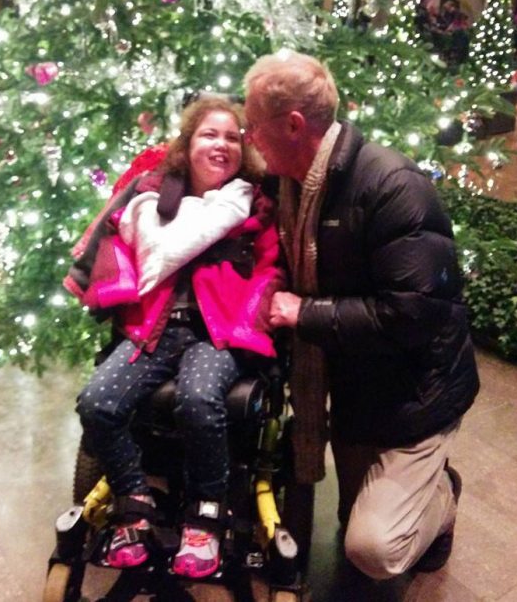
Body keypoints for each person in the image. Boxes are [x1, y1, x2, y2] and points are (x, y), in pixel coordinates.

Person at [243, 51, 479, 581]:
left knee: (373, 550)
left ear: (294, 125)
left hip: (415, 393)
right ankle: (400, 493)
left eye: (253, 125)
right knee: (353, 519)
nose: (248, 137)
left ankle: (443, 498)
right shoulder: (288, 184)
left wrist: (305, 311)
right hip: (356, 386)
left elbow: (412, 314)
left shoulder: (392, 185)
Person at [64, 94, 284, 577]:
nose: (221, 145)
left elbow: (271, 273)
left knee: (198, 399)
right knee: (97, 402)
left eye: (232, 136)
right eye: (210, 134)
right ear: (188, 144)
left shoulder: (253, 206)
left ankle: (207, 512)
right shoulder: (151, 199)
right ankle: (135, 500)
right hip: (156, 327)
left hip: (217, 332)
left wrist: (254, 317)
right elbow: (112, 252)